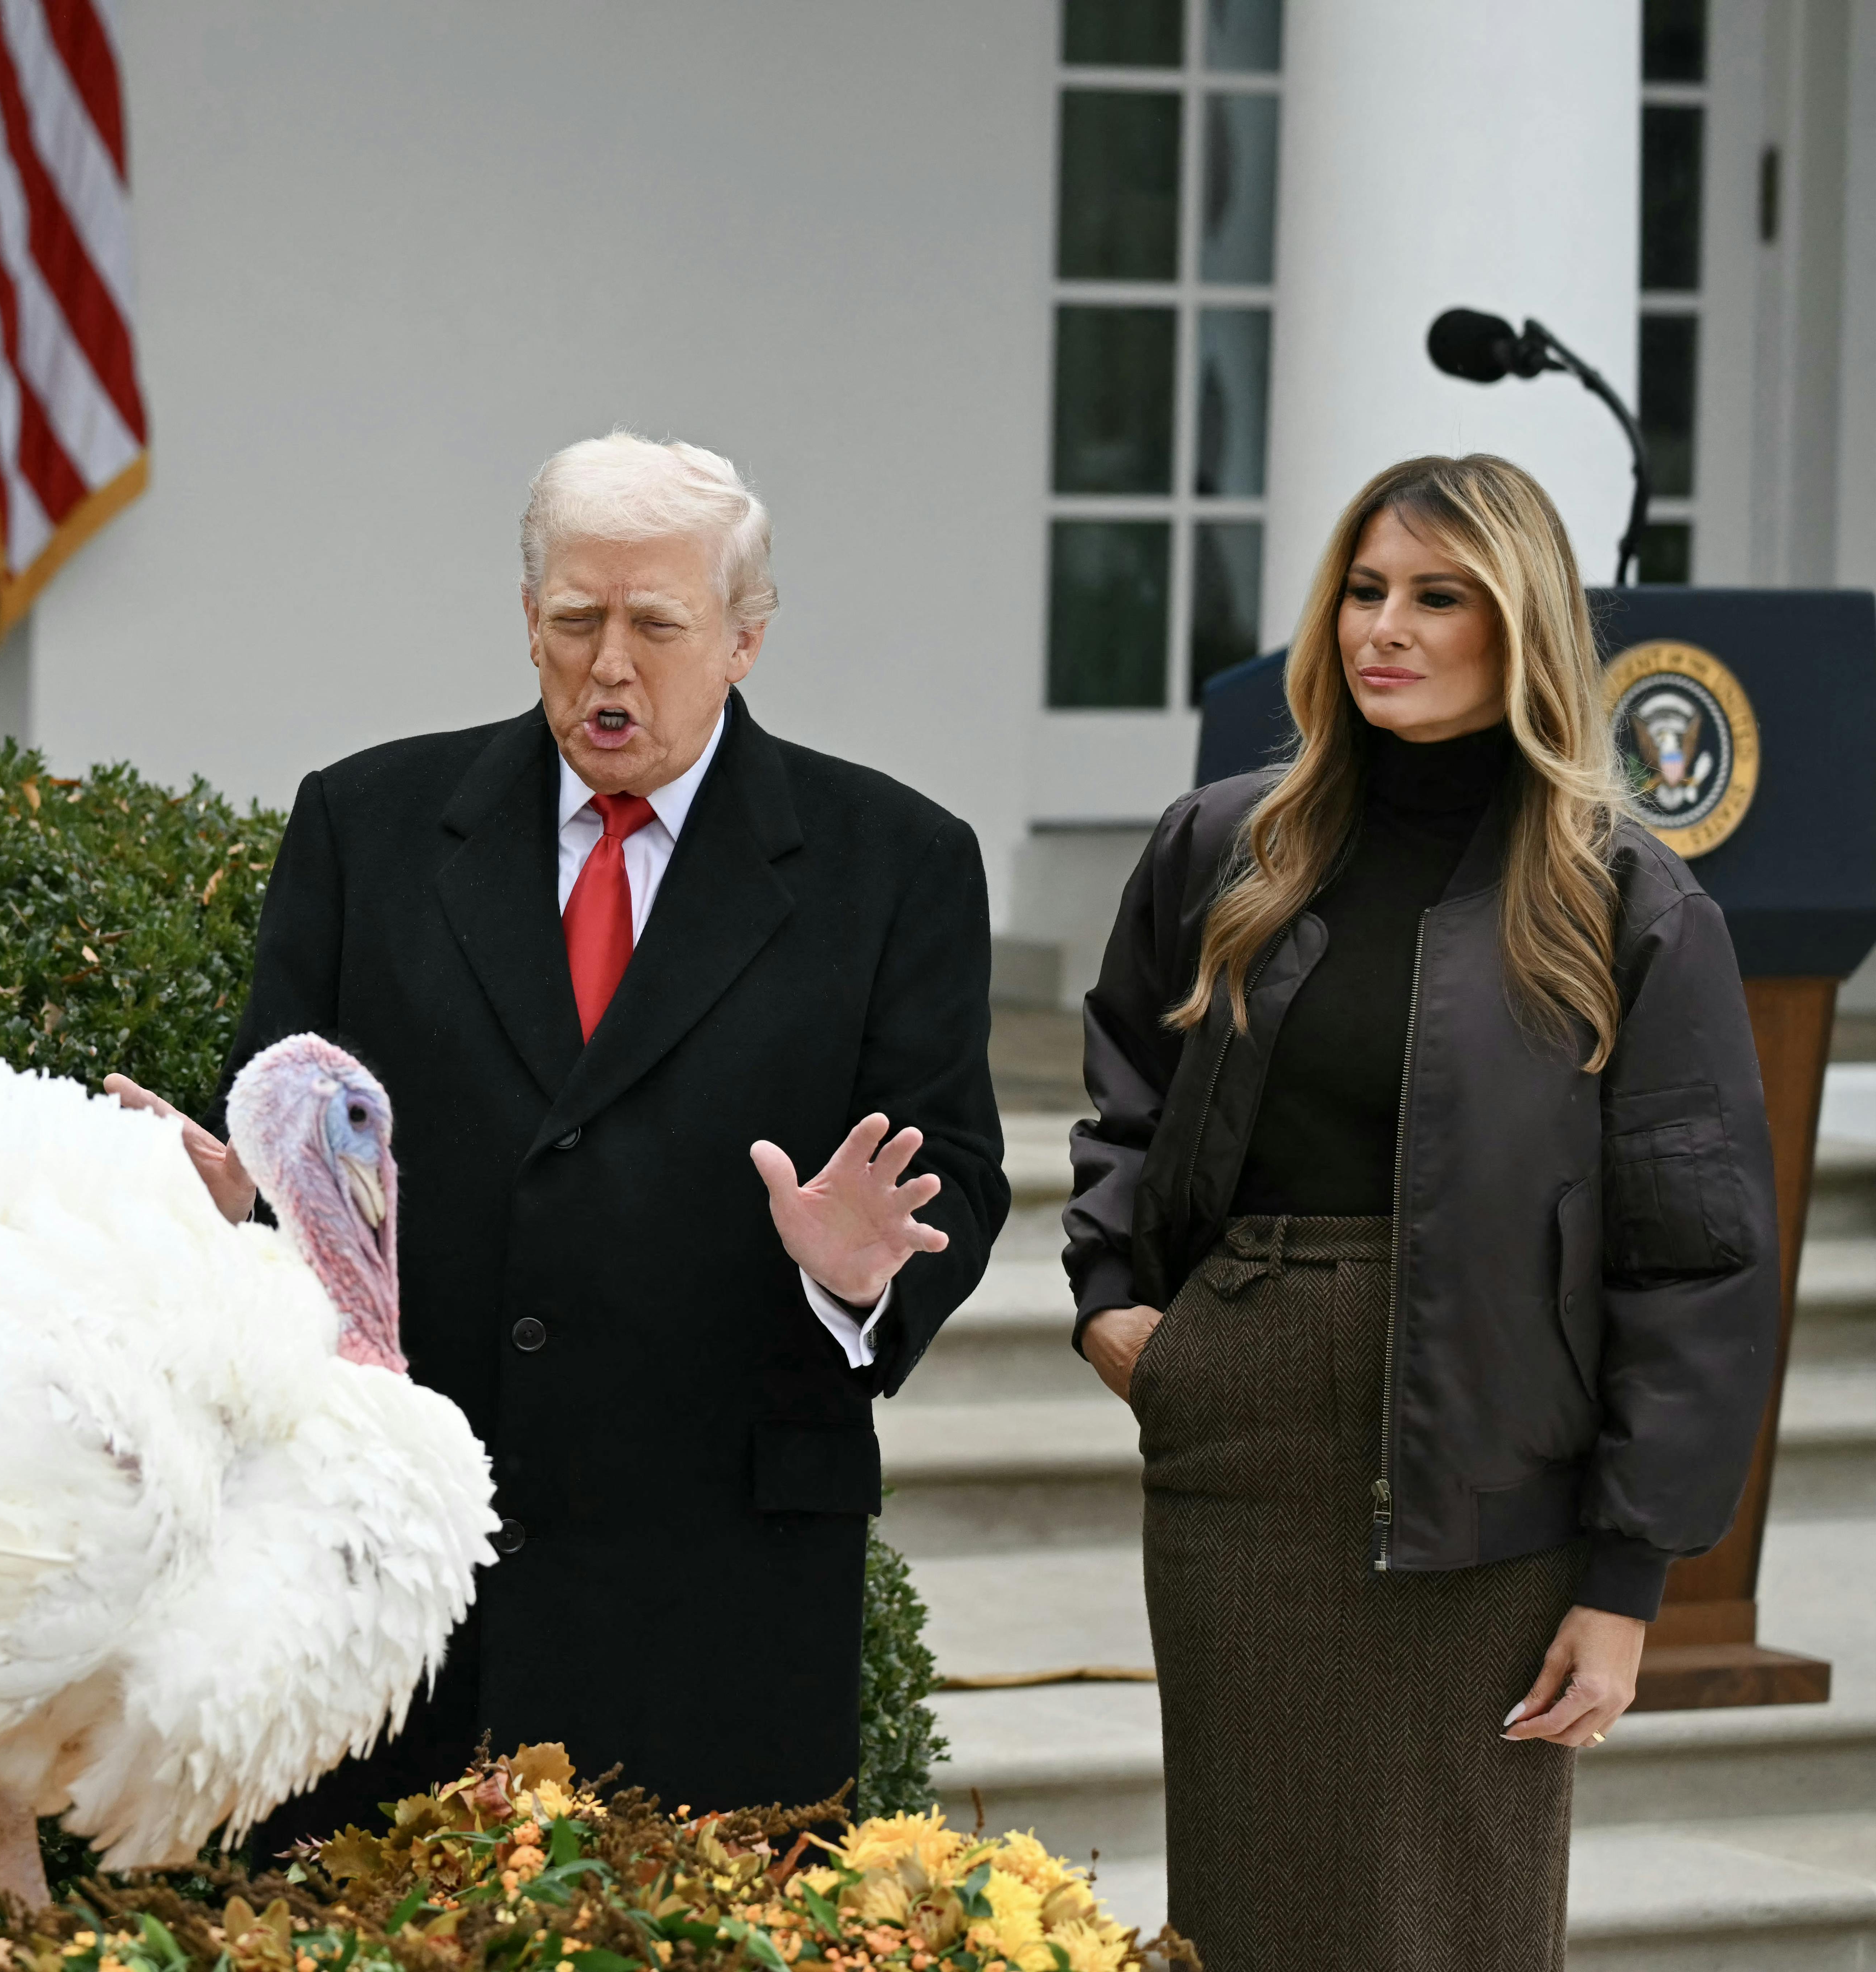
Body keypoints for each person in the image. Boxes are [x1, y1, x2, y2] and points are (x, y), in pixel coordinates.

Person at [112, 432, 1008, 1833]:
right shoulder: (368, 826)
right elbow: (291, 1137)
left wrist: (855, 1275)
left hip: (716, 1594)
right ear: (525, 620)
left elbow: (947, 1176)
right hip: (399, 1586)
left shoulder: (891, 862)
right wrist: (231, 1216)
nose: (607, 665)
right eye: (575, 619)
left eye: (655, 625)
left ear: (744, 640)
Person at [1065, 454, 1778, 1970]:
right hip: (1241, 1438)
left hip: (1488, 1462)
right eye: (1364, 593)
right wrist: (1118, 1305)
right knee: (1246, 1904)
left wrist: (1624, 1578)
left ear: (1517, 627)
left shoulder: (1620, 903)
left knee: (1453, 1913)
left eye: (1434, 597)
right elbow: (1125, 1085)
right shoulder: (1224, 846)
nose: (1381, 628)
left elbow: (1691, 1261)